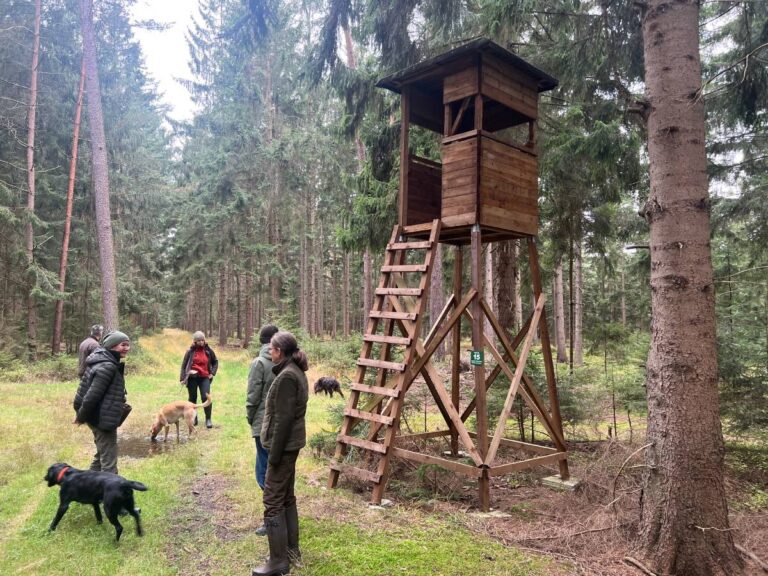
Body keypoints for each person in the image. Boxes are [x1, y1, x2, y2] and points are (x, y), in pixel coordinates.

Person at [252, 331, 308, 576]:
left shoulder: (287, 376)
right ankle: (291, 550)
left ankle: (277, 561)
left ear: (281, 352)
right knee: (286, 497)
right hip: (289, 446)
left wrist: (273, 455)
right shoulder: (293, 371)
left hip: (283, 448)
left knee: (272, 500)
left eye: (273, 349)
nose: (270, 352)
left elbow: (283, 421)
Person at [73, 330, 131, 475]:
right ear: (112, 346)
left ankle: (85, 486)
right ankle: (111, 495)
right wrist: (80, 417)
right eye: (123, 345)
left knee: (101, 456)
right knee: (109, 463)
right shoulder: (107, 366)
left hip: (98, 416)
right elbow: (91, 396)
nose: (126, 348)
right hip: (101, 419)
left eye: (128, 345)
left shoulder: (103, 360)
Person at [246, 324, 280, 536]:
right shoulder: (286, 360)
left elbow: (253, 396)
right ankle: (278, 515)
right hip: (281, 424)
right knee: (274, 469)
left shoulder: (259, 363)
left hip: (263, 425)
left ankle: (272, 519)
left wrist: (251, 418)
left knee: (263, 472)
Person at [180, 331, 218, 428]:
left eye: (202, 340)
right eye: (199, 340)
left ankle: (208, 419)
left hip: (204, 377)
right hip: (192, 378)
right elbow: (184, 366)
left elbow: (215, 362)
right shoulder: (190, 352)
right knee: (192, 398)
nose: (201, 342)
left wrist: (212, 373)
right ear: (195, 341)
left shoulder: (208, 350)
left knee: (206, 397)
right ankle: (194, 417)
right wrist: (182, 378)